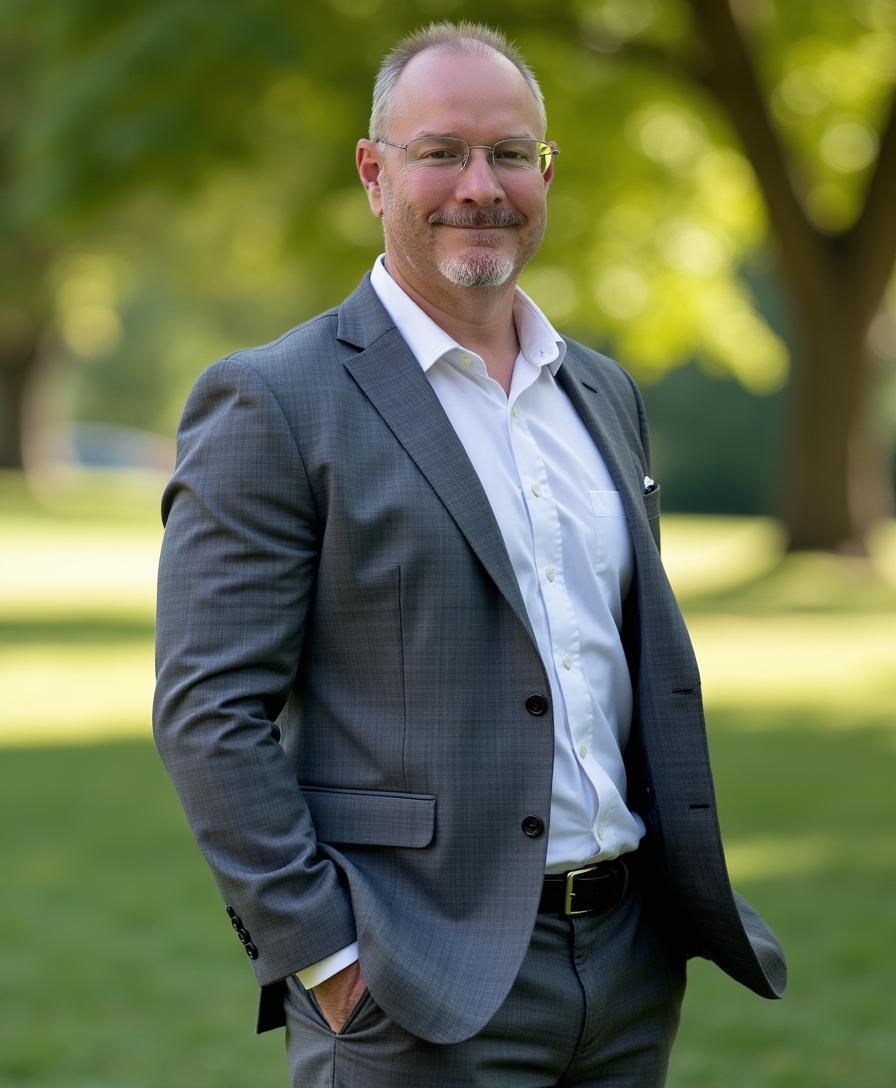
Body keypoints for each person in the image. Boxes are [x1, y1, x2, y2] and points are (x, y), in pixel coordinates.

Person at [153, 20, 785, 1087]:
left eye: (509, 154)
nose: (478, 186)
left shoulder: (599, 392)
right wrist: (327, 955)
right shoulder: (274, 400)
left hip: (628, 969)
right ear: (372, 171)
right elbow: (208, 710)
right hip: (412, 983)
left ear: (544, 171)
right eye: (439, 151)